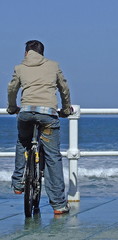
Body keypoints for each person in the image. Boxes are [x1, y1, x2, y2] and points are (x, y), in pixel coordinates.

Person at [7, 40, 72, 215]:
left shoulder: (20, 68)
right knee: (52, 157)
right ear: (42, 53)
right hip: (48, 115)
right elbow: (64, 89)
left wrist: (12, 107)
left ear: (26, 53)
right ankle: (59, 205)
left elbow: (12, 88)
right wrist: (66, 109)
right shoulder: (53, 66)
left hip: (26, 113)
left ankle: (19, 184)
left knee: (23, 142)